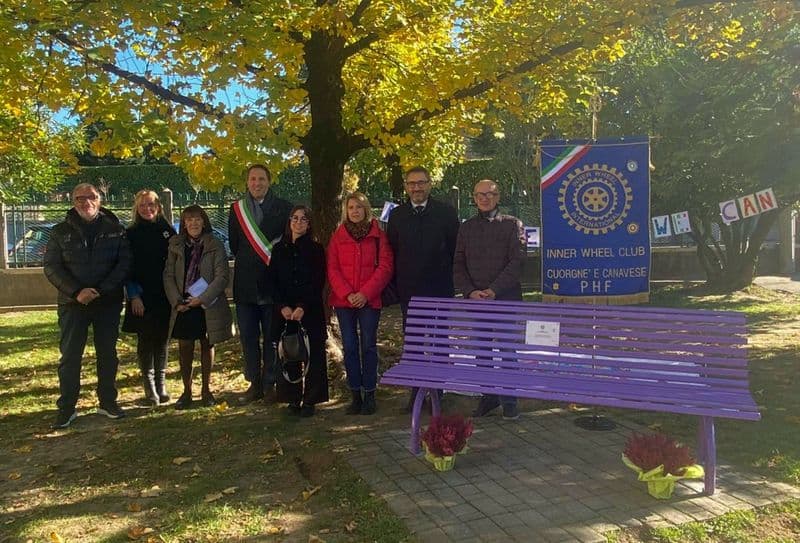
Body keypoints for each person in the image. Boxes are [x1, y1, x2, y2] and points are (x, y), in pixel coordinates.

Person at [44, 183, 131, 429]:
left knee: (108, 354)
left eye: (91, 197)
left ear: (100, 200)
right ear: (73, 202)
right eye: (79, 198)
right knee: (70, 356)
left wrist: (101, 291)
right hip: (73, 304)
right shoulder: (59, 231)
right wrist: (76, 292)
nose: (86, 202)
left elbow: (124, 263)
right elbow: (51, 266)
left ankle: (107, 402)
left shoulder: (115, 229)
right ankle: (67, 408)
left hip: (108, 302)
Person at [386, 165, 460, 411]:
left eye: (421, 182)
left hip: (439, 289)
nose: (416, 188)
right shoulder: (397, 216)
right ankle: (416, 391)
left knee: (440, 342)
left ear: (430, 184)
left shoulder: (447, 213)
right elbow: (393, 252)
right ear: (406, 187)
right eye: (411, 183)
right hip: (410, 291)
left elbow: (454, 251)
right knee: (414, 343)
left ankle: (438, 391)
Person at [453, 179, 525, 420]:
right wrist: (470, 291)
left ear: (498, 196)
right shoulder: (466, 228)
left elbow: (517, 263)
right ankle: (488, 396)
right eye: (479, 194)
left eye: (489, 194)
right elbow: (458, 264)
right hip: (476, 301)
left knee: (507, 350)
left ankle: (510, 400)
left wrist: (494, 289)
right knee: (482, 350)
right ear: (474, 198)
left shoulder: (512, 225)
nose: (484, 198)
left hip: (505, 299)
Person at [228, 164, 293, 404]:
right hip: (245, 284)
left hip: (272, 283)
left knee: (272, 336)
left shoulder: (284, 207)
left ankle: (271, 383)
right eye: (253, 179)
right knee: (248, 336)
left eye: (261, 179)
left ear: (269, 181)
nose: (257, 183)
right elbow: (235, 245)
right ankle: (254, 382)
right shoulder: (236, 210)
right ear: (247, 182)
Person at [327, 192, 394, 415]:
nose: (355, 211)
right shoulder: (338, 236)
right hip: (344, 301)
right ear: (346, 211)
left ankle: (370, 393)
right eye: (351, 207)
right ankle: (355, 394)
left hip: (369, 300)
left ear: (366, 209)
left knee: (368, 345)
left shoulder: (378, 236)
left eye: (359, 207)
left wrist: (365, 293)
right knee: (350, 347)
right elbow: (333, 268)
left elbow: (384, 267)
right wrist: (347, 294)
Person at [164, 205, 233, 409]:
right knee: (185, 347)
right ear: (184, 223)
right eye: (189, 219)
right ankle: (186, 392)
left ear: (204, 221)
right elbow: (168, 275)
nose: (193, 223)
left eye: (197, 219)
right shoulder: (175, 245)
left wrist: (202, 299)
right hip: (183, 304)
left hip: (206, 304)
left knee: (206, 344)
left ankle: (206, 391)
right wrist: (177, 300)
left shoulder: (215, 244)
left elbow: (222, 276)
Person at [271, 205, 328, 417]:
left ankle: (311, 400)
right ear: (289, 221)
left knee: (313, 354)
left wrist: (303, 306)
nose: (298, 222)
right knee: (289, 353)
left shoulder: (316, 249)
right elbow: (272, 281)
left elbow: (318, 281)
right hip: (285, 311)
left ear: (309, 223)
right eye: (294, 218)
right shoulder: (279, 249)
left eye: (303, 219)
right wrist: (282, 306)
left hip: (309, 309)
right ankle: (292, 398)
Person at [122, 190, 177, 406]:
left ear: (158, 206)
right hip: (141, 296)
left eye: (151, 204)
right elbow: (126, 268)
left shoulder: (168, 231)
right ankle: (149, 388)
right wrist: (134, 295)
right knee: (146, 340)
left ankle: (161, 385)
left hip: (164, 295)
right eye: (143, 205)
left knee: (162, 340)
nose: (147, 208)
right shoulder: (130, 233)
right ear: (137, 208)